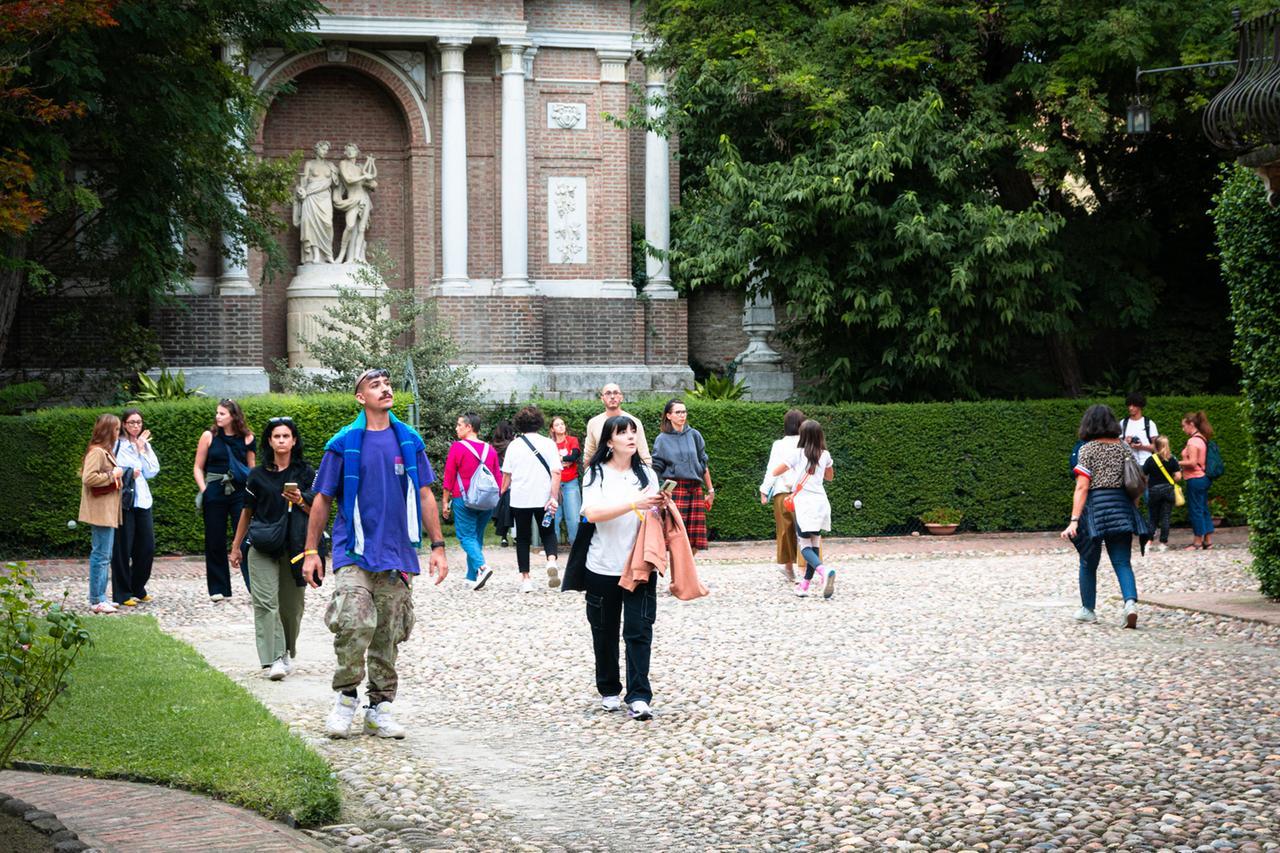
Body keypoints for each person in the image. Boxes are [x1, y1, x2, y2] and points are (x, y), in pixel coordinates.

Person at [302, 367, 449, 739]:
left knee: (387, 633)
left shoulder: (409, 440)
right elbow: (321, 499)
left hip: (398, 552)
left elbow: (426, 494)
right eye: (374, 385)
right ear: (360, 398)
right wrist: (310, 551)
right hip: (353, 549)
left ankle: (379, 708)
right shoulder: (343, 442)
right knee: (355, 621)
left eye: (386, 384)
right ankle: (346, 698)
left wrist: (438, 546)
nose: (384, 390)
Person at [575, 414, 667, 720]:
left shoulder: (647, 475)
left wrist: (660, 506)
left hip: (640, 564)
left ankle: (639, 695)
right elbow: (591, 513)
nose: (630, 437)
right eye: (622, 432)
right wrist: (632, 504)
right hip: (602, 565)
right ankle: (609, 689)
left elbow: (654, 515)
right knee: (604, 630)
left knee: (639, 630)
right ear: (609, 441)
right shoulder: (595, 474)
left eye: (633, 432)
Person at [230, 417, 315, 681]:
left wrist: (300, 499)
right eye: (276, 436)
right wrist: (235, 547)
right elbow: (247, 512)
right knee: (266, 603)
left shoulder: (306, 473)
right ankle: (274, 657)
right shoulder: (257, 475)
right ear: (269, 440)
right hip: (262, 545)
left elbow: (318, 509)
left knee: (292, 607)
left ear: (294, 440)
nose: (281, 440)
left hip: (295, 546)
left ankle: (286, 650)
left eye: (286, 436)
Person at [1063, 404, 1147, 628]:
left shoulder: (1087, 450)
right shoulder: (1123, 448)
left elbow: (1082, 487)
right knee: (1122, 562)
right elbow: (1135, 484)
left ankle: (1088, 610)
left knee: (1088, 560)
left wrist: (1073, 520)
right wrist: (1132, 510)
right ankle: (1130, 604)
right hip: (1121, 506)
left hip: (1096, 510)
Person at [193, 399, 255, 602]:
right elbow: (197, 467)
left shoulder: (247, 438)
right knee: (215, 540)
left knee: (246, 538)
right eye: (217, 413)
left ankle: (254, 586)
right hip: (215, 492)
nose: (218, 416)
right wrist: (205, 490)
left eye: (222, 413)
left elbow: (252, 469)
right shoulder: (209, 436)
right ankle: (218, 589)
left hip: (239, 493)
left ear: (234, 416)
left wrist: (252, 494)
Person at [771, 419, 836, 599]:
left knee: (804, 545)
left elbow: (775, 471)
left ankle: (824, 571)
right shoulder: (825, 455)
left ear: (803, 435)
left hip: (804, 503)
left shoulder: (797, 454)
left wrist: (791, 473)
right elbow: (829, 477)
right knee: (814, 544)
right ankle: (805, 586)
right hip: (821, 502)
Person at [501, 405, 562, 592]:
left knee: (523, 538)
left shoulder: (514, 445)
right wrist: (553, 496)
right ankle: (551, 560)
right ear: (540, 423)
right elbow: (556, 472)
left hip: (520, 497)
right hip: (543, 496)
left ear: (519, 424)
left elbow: (507, 475)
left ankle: (526, 579)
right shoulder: (549, 444)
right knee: (548, 531)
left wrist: (502, 491)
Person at [442, 412, 502, 591]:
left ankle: (482, 567)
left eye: (459, 425)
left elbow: (449, 475)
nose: (456, 428)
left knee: (466, 536)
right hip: (486, 500)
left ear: (469, 427)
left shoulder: (458, 447)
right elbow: (496, 476)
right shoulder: (489, 449)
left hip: (464, 498)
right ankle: (471, 577)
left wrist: (445, 501)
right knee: (476, 537)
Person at [651, 399, 714, 555]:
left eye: (684, 411)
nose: (682, 415)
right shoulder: (662, 439)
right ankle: (677, 575)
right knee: (675, 535)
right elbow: (656, 468)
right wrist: (659, 492)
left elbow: (703, 463)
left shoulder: (695, 435)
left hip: (695, 488)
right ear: (669, 415)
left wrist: (711, 490)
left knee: (694, 538)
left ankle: (687, 573)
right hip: (675, 490)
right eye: (678, 412)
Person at [111, 408, 159, 607]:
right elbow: (113, 468)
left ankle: (137, 586)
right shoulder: (117, 445)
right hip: (124, 501)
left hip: (143, 501)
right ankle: (122, 593)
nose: (136, 426)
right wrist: (130, 470)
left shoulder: (144, 445)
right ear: (124, 424)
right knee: (123, 548)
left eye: (139, 422)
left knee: (147, 547)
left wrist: (141, 450)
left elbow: (152, 471)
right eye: (131, 422)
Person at [80, 414, 124, 614]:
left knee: (104, 554)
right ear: (108, 431)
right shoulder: (97, 452)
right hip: (100, 512)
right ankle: (97, 599)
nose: (118, 433)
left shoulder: (104, 451)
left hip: (106, 511)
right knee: (101, 555)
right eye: (116, 429)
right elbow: (88, 478)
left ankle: (100, 597)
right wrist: (112, 475)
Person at [760, 409, 806, 582]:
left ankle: (788, 568)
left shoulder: (778, 445)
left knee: (785, 532)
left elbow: (772, 469)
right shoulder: (808, 443)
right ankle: (805, 571)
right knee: (807, 532)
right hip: (804, 493)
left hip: (782, 493)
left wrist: (764, 490)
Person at [583, 383, 652, 465]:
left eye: (616, 393)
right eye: (608, 393)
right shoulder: (593, 423)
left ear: (621, 397)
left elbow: (643, 454)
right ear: (602, 398)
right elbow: (589, 454)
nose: (612, 396)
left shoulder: (634, 422)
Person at [293, 140, 337, 264]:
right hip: (311, 197)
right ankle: (316, 255)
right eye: (323, 149)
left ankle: (328, 254)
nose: (325, 152)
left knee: (327, 224)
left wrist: (335, 175)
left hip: (325, 197)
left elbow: (337, 183)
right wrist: (301, 191)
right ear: (317, 150)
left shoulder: (330, 165)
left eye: (326, 150)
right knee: (312, 226)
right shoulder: (309, 164)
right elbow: (304, 181)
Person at [1179, 411, 1215, 550]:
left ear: (1191, 424)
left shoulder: (1193, 441)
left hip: (1195, 478)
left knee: (1196, 510)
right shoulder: (1202, 438)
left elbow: (1193, 462)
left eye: (1184, 426)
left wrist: (1176, 462)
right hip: (1203, 478)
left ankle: (1197, 542)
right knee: (1203, 509)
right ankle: (1208, 541)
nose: (1183, 429)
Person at [1143, 435, 1181, 552]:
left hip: (1154, 490)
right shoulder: (1172, 459)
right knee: (1165, 517)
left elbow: (1143, 475)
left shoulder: (1151, 460)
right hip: (1168, 490)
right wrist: (1170, 482)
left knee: (1153, 517)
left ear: (1155, 446)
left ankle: (1148, 542)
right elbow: (1178, 476)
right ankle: (1163, 543)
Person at [550, 416, 583, 546]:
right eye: (557, 425)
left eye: (562, 424)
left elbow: (574, 456)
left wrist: (559, 458)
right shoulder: (549, 444)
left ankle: (575, 546)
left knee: (573, 517)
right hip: (554, 483)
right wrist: (565, 460)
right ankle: (552, 546)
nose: (561, 426)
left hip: (570, 482)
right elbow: (548, 461)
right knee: (554, 516)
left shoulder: (572, 440)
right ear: (552, 428)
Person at [490, 420, 516, 547]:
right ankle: (513, 535)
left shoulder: (493, 446)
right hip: (510, 479)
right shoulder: (512, 445)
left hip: (497, 479)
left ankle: (503, 536)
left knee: (503, 508)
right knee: (512, 508)